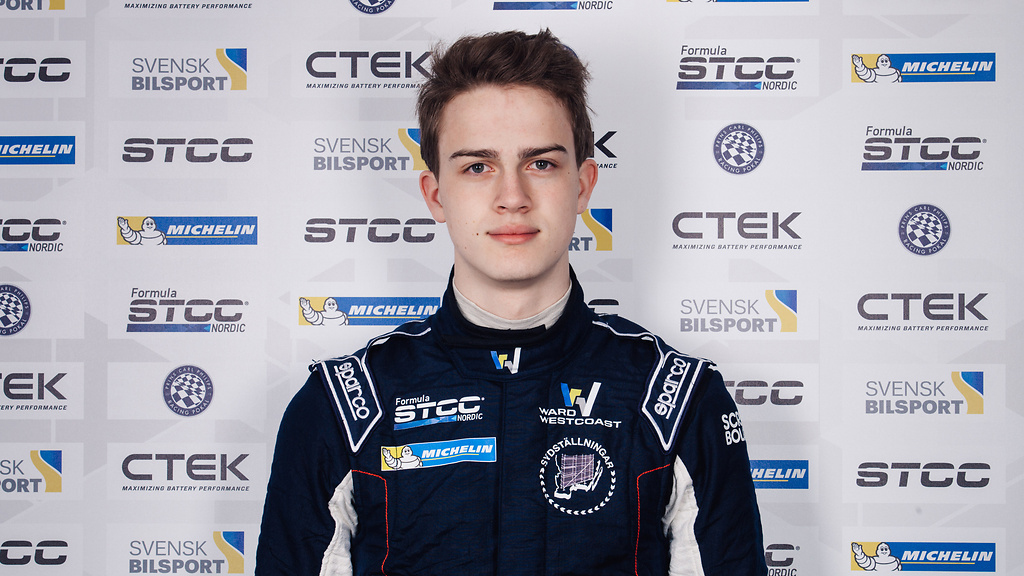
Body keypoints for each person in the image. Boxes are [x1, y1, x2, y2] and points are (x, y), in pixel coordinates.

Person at [256, 29, 768, 576]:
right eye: (477, 167)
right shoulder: (342, 409)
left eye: (541, 163)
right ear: (436, 195)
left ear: (583, 185)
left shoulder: (677, 402)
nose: (512, 198)